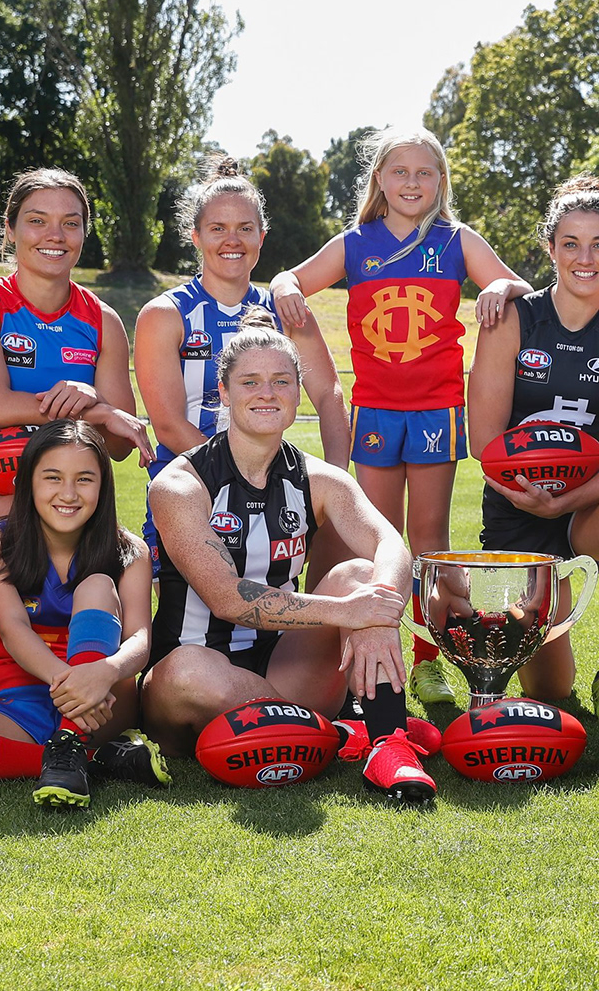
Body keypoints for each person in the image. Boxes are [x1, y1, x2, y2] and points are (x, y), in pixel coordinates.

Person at [268, 126, 531, 705]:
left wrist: (501, 288)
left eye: (424, 172)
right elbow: (291, 278)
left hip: (437, 409)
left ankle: (431, 662)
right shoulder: (355, 243)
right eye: (400, 172)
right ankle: (372, 659)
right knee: (379, 545)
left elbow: (519, 286)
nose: (412, 183)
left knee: (430, 540)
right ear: (380, 179)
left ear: (441, 180)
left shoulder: (457, 239)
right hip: (376, 413)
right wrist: (285, 284)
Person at [144, 310, 440, 802]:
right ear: (224, 392)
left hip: (286, 666)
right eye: (250, 382)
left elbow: (392, 545)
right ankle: (342, 732)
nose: (267, 393)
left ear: (298, 391)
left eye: (281, 381)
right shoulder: (180, 484)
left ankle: (388, 746)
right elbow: (228, 599)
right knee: (186, 670)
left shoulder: (319, 479)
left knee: (363, 575)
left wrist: (377, 603)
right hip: (195, 685)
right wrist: (347, 611)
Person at [466, 176, 599, 710]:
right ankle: (540, 630)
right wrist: (533, 495)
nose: (585, 258)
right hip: (517, 502)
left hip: (588, 506)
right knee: (549, 689)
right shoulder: (511, 318)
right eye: (571, 244)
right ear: (550, 249)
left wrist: (566, 500)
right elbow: (484, 441)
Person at [0, 169, 151, 663]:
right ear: (10, 228)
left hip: (69, 500)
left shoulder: (103, 320)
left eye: (70, 223)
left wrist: (102, 410)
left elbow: (120, 444)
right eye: (37, 220)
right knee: (34, 534)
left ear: (84, 233)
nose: (55, 235)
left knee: (118, 560)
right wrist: (95, 407)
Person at [0, 421, 166, 810]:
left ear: (104, 486)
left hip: (103, 703)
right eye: (52, 477)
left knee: (97, 585)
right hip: (22, 704)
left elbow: (140, 640)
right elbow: (13, 631)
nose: (68, 493)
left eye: (84, 479)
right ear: (27, 483)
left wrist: (104, 673)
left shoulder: (129, 550)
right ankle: (95, 760)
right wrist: (69, 684)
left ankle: (72, 741)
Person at [135, 154, 351, 568]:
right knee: (192, 609)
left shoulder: (286, 311)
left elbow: (329, 394)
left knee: (301, 593)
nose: (231, 240)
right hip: (191, 489)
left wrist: (334, 481)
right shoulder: (165, 314)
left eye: (245, 228)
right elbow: (169, 425)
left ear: (261, 237)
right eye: (218, 228)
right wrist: (242, 479)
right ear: (196, 236)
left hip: (271, 490)